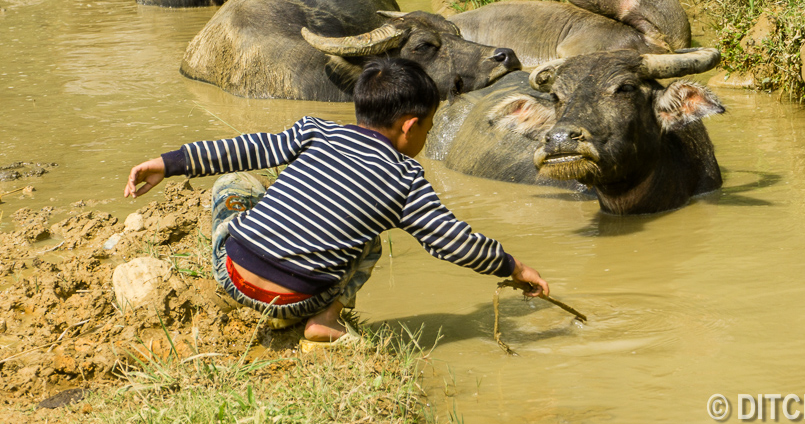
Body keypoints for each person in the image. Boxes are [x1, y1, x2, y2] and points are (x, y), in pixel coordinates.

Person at [123, 57, 550, 351]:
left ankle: (248, 272)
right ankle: (325, 321)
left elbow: (245, 148)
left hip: (232, 275)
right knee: (372, 242)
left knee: (233, 182)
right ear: (411, 126)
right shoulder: (406, 179)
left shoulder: (318, 132)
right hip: (298, 300)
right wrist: (512, 266)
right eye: (430, 127)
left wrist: (169, 163)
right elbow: (452, 240)